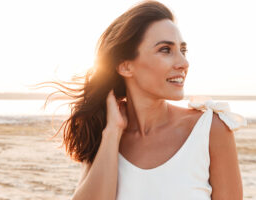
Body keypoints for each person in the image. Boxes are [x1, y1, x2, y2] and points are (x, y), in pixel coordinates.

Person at [40, 1, 247, 199]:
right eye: (165, 50)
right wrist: (112, 133)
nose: (183, 62)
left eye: (182, 50)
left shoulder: (210, 129)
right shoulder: (104, 135)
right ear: (126, 66)